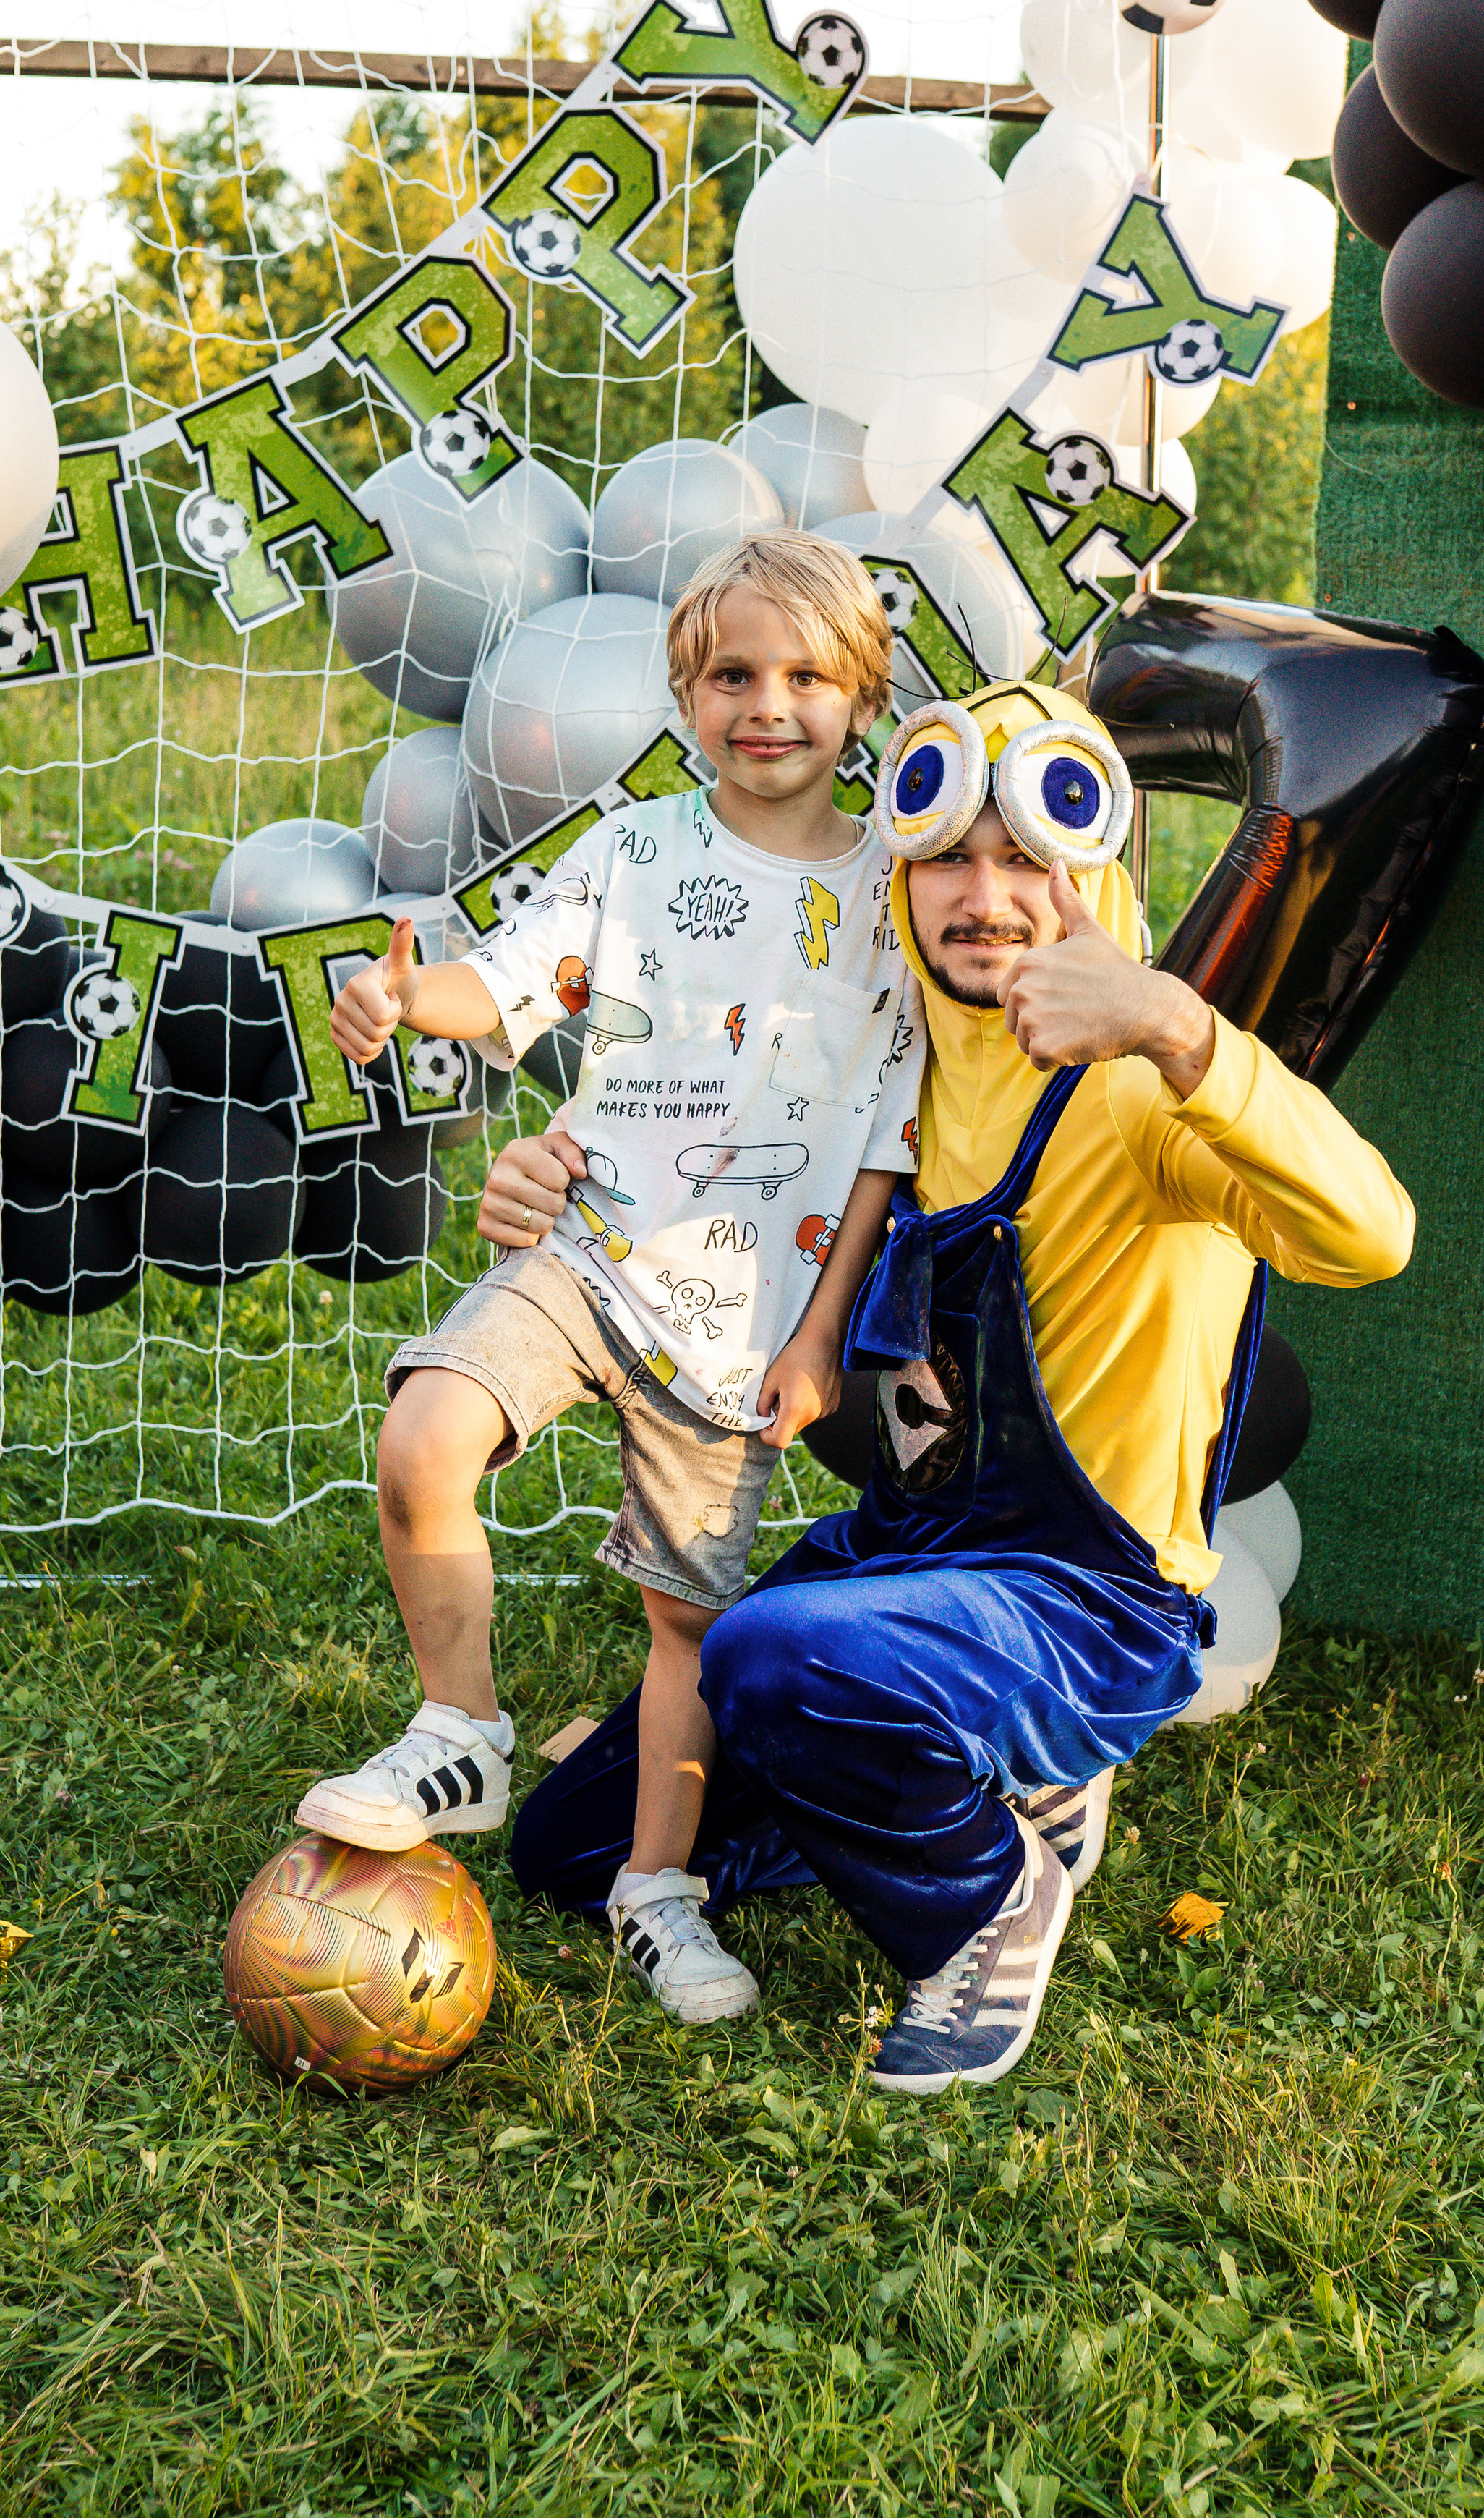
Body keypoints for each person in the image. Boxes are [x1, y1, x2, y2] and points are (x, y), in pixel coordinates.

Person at [511, 679, 1416, 2090]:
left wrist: (1178, 1029)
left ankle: (986, 1900)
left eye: (1022, 857)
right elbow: (687, 1156)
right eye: (945, 855)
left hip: (1086, 1599)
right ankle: (930, 1764)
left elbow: (1371, 1232)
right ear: (898, 870)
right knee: (567, 1846)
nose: (982, 895)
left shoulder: (1141, 1091)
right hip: (913, 1553)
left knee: (766, 1659)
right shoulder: (884, 1073)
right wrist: (559, 1173)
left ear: (1091, 866)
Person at [297, 532, 926, 2024]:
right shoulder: (636, 850)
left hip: (742, 1327)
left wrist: (820, 1337)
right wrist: (402, 993)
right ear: (683, 692)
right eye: (729, 675)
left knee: (684, 1628)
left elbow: (883, 1143)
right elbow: (514, 982)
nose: (764, 706)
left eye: (802, 677)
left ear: (860, 696)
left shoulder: (897, 894)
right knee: (422, 1437)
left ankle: (657, 1886)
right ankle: (460, 1726)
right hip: (587, 1250)